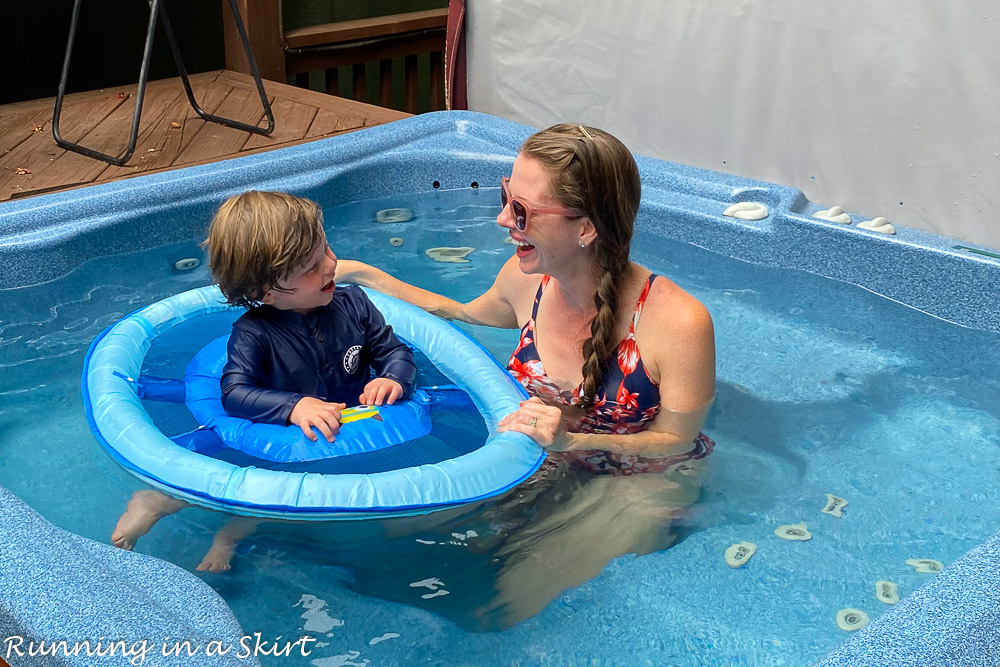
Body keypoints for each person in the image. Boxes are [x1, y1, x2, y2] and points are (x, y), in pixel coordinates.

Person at [334, 123, 717, 627]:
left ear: (585, 228)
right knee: (380, 543)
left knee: (495, 609)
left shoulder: (679, 323)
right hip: (544, 456)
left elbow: (674, 443)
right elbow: (462, 313)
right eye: (505, 197)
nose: (501, 219)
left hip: (637, 482)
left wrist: (573, 443)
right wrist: (366, 276)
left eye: (522, 211)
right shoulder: (525, 278)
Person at [111, 190, 417, 571]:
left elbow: (394, 350)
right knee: (261, 483)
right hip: (275, 437)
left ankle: (231, 535)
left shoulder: (355, 304)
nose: (331, 264)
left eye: (327, 248)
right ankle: (159, 501)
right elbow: (235, 395)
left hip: (344, 425)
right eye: (311, 266)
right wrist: (294, 406)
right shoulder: (253, 333)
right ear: (264, 292)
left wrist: (393, 378)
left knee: (292, 501)